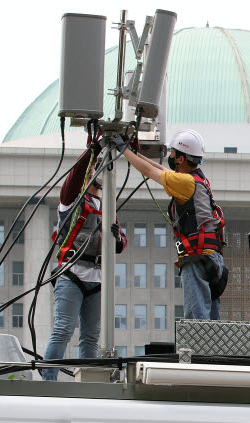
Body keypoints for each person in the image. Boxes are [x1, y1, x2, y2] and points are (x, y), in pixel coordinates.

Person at [42, 143, 127, 380]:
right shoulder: (72, 200)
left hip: (98, 278)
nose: (99, 172)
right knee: (63, 329)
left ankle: (88, 381)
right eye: (95, 168)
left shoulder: (108, 206)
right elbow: (75, 175)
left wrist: (117, 237)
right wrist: (93, 149)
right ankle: (48, 380)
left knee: (91, 336)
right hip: (72, 273)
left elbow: (120, 243)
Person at [121, 129, 226, 320]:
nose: (170, 156)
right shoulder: (197, 179)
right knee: (210, 322)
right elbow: (161, 170)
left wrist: (121, 149)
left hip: (197, 259)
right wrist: (132, 151)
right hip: (211, 259)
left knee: (196, 320)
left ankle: (196, 350)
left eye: (172, 153)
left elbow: (148, 172)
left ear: (181, 159)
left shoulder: (185, 182)